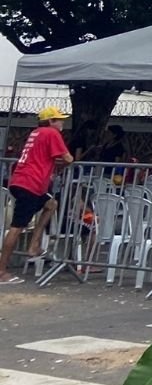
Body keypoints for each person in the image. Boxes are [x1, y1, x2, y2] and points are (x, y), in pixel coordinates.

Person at [0, 106, 73, 284]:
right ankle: (1, 271)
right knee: (16, 228)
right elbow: (68, 158)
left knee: (51, 204)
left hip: (22, 181)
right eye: (58, 119)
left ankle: (34, 244)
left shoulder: (37, 133)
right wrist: (62, 164)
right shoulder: (51, 133)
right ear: (50, 121)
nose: (62, 122)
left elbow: (44, 156)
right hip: (30, 184)